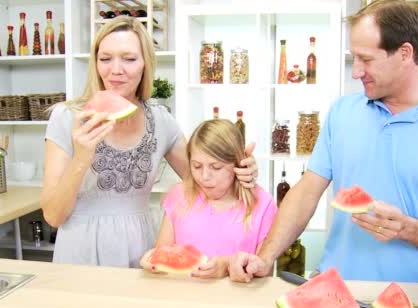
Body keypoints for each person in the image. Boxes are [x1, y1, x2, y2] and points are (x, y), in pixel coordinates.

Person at [229, 0, 418, 284]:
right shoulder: (343, 113)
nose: (356, 71)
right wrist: (265, 256)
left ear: (405, 53)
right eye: (354, 58)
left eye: (366, 59)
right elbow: (307, 192)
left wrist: (408, 229)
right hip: (336, 287)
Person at [41, 16, 257, 268]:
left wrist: (240, 170)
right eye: (105, 58)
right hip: (79, 252)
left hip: (140, 250)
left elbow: (203, 179)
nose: (116, 70)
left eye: (129, 59)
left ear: (146, 63)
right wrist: (81, 158)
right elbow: (53, 216)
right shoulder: (67, 117)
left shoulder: (161, 120)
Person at [140, 119, 277, 279]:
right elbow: (162, 256)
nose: (205, 176)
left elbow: (264, 269)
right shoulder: (178, 196)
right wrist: (150, 260)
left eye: (216, 167)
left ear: (238, 164)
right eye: (197, 166)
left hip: (237, 301)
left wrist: (226, 265)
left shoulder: (262, 204)